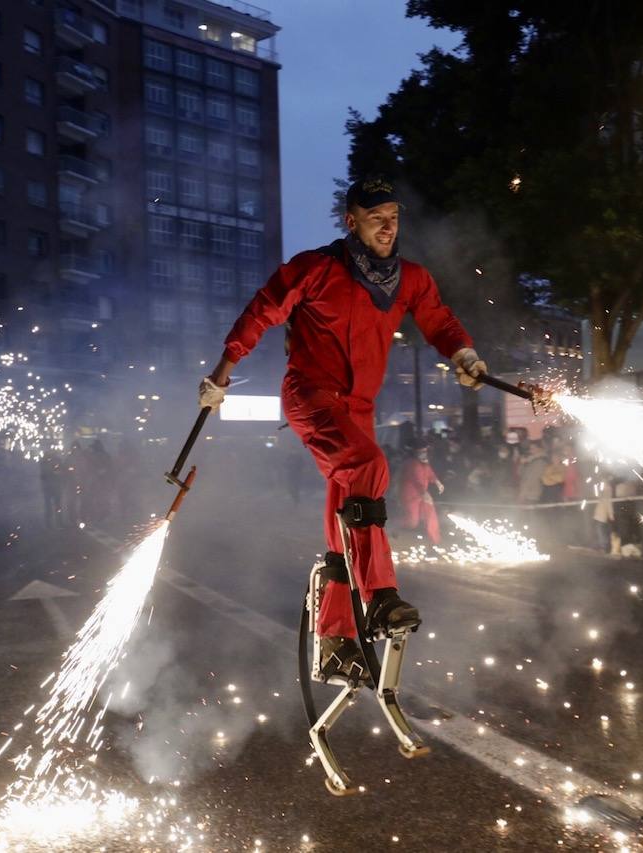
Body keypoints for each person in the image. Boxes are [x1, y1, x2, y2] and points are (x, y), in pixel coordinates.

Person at [199, 176, 486, 680]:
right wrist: (222, 373)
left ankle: (335, 640)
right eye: (376, 217)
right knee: (367, 464)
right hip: (311, 396)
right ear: (350, 221)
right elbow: (261, 311)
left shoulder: (410, 279)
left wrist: (463, 353)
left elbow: (438, 321)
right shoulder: (315, 268)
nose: (388, 226)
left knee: (344, 514)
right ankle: (379, 595)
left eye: (394, 216)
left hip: (358, 409)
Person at [398, 444, 444, 544]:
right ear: (416, 454)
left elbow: (430, 473)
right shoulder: (412, 465)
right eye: (422, 452)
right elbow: (416, 481)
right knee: (412, 521)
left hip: (422, 494)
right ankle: (395, 527)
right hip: (410, 496)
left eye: (425, 452)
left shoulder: (424, 464)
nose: (424, 455)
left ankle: (435, 539)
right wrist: (424, 494)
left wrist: (437, 482)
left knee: (430, 514)